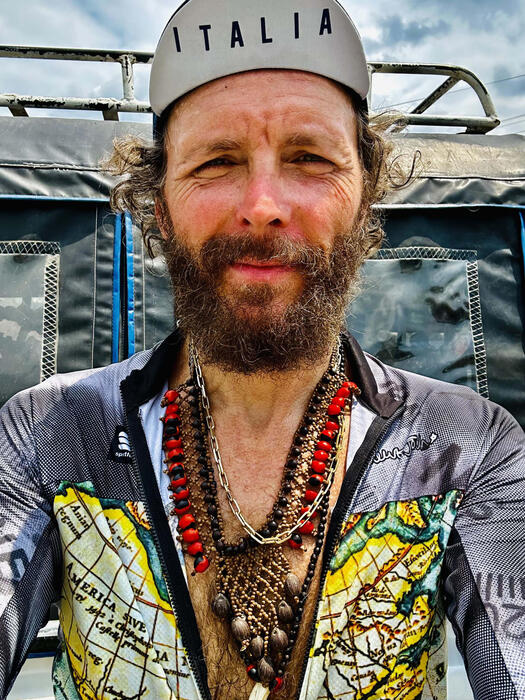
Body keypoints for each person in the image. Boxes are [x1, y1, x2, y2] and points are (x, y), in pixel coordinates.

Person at [1, 1, 524, 699]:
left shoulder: (468, 444)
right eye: (217, 161)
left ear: (364, 198)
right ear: (161, 207)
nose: (263, 204)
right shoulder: (49, 433)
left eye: (309, 158)